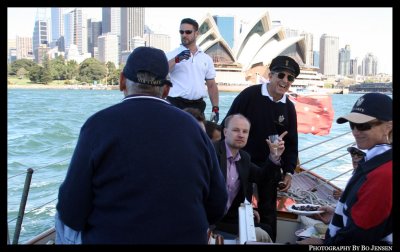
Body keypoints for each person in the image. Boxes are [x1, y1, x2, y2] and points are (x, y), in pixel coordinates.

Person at [55, 46, 228, 244]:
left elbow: (71, 209)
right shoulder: (194, 128)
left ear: (122, 82)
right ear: (166, 89)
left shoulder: (97, 125)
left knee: (61, 219)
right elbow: (218, 203)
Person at [220, 55, 300, 242]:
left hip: (270, 165)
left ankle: (269, 240)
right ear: (270, 75)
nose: (285, 81)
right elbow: (227, 124)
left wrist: (288, 172)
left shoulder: (288, 108)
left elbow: (292, 143)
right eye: (281, 75)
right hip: (242, 164)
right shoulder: (249, 95)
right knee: (240, 208)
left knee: (269, 212)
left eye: (290, 78)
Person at [298, 92, 392, 245]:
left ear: (388, 127)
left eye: (363, 125)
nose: (355, 131)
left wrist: (322, 245)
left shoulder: (383, 174)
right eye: (352, 124)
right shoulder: (374, 163)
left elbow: (359, 238)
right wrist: (337, 215)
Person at [212, 114, 288, 243]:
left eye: (245, 131)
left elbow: (262, 178)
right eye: (236, 130)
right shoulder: (212, 152)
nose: (241, 135)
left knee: (267, 228)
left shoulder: (244, 158)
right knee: (262, 234)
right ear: (225, 132)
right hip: (210, 220)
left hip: (230, 218)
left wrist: (274, 157)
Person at [165, 18, 220, 123]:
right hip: (176, 104)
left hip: (198, 106)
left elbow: (212, 85)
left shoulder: (206, 59)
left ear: (196, 33)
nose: (184, 35)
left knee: (198, 137)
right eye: (181, 32)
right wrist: (176, 59)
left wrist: (215, 108)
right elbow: (162, 71)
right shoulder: (171, 55)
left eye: (188, 32)